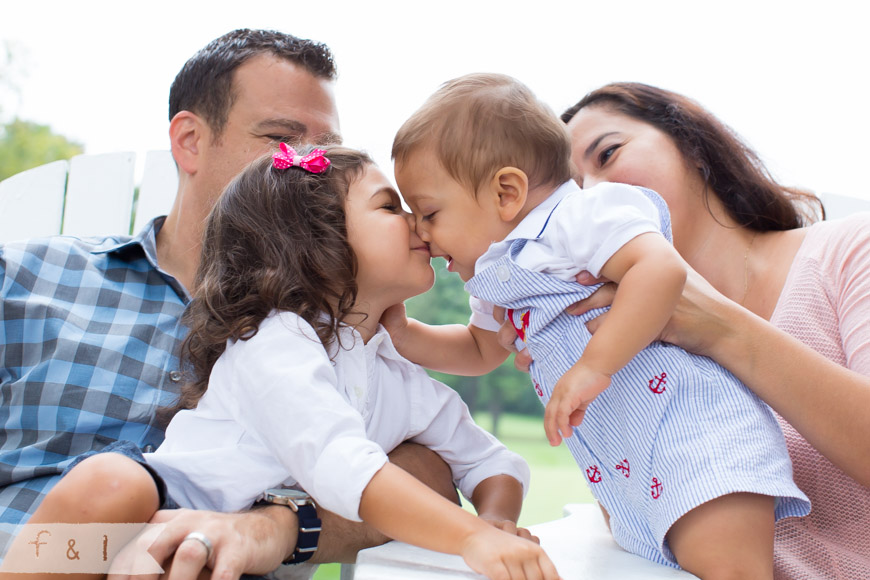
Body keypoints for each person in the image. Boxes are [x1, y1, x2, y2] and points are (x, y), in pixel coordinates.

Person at [0, 29, 455, 578]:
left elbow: (434, 469)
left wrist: (275, 525)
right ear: (191, 140)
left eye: (325, 154)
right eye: (282, 141)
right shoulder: (26, 281)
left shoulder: (349, 336)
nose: (310, 171)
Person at [15, 145, 560, 580]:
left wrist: (495, 518)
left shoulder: (397, 373)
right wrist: (469, 537)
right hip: (156, 510)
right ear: (316, 240)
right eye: (389, 206)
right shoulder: (278, 340)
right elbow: (340, 462)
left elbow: (491, 462)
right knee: (111, 484)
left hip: (253, 552)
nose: (419, 222)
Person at [387, 72, 810, 578]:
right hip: (631, 472)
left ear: (506, 193)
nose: (421, 231)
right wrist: (407, 336)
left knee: (729, 571)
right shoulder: (498, 274)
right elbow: (480, 350)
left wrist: (593, 365)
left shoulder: (580, 215)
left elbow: (660, 269)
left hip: (698, 439)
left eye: (429, 212)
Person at [549, 82, 870, 580]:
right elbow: (644, 530)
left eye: (608, 154)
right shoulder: (621, 348)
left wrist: (717, 327)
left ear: (691, 144)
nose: (591, 194)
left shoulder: (850, 250)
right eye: (570, 190)